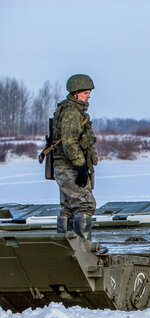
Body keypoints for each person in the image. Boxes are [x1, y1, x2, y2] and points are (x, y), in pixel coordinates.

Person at [52, 74, 99, 242]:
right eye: (86, 92)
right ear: (76, 93)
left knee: (68, 208)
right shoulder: (72, 112)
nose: (89, 96)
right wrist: (80, 166)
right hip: (69, 166)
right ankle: (83, 251)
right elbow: (70, 142)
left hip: (64, 166)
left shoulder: (69, 110)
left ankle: (66, 249)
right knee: (84, 204)